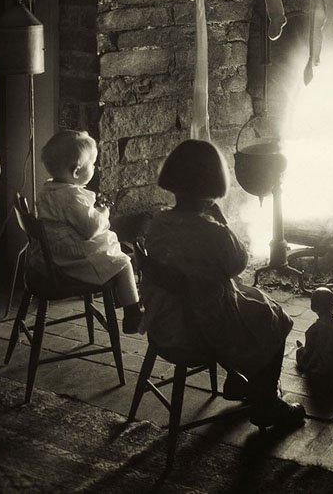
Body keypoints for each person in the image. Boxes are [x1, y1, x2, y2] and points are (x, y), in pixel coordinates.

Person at [142, 139, 305, 430]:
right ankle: (265, 401)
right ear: (213, 186)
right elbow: (238, 262)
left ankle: (239, 382)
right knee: (274, 316)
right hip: (200, 329)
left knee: (251, 300)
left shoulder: (158, 223)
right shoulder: (212, 232)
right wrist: (223, 223)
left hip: (164, 321)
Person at [37, 130, 144, 334]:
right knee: (123, 264)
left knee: (113, 250)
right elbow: (90, 229)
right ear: (77, 172)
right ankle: (133, 313)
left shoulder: (49, 189)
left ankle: (120, 296)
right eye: (92, 164)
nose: (95, 168)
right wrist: (102, 212)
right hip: (71, 259)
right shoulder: (72, 197)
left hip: (53, 254)